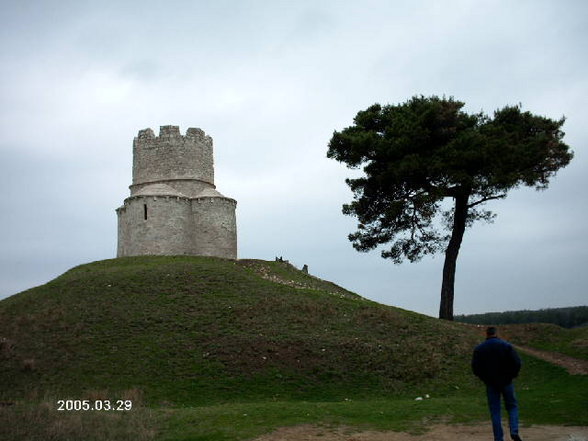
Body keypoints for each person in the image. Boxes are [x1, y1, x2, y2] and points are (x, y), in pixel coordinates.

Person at [472, 326, 523, 441]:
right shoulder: (506, 346)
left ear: (486, 334)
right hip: (506, 381)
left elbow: (475, 368)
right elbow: (517, 362)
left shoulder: (479, 349)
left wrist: (484, 378)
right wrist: (512, 375)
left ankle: (498, 438)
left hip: (491, 383)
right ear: (496, 333)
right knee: (512, 406)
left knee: (495, 411)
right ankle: (514, 430)